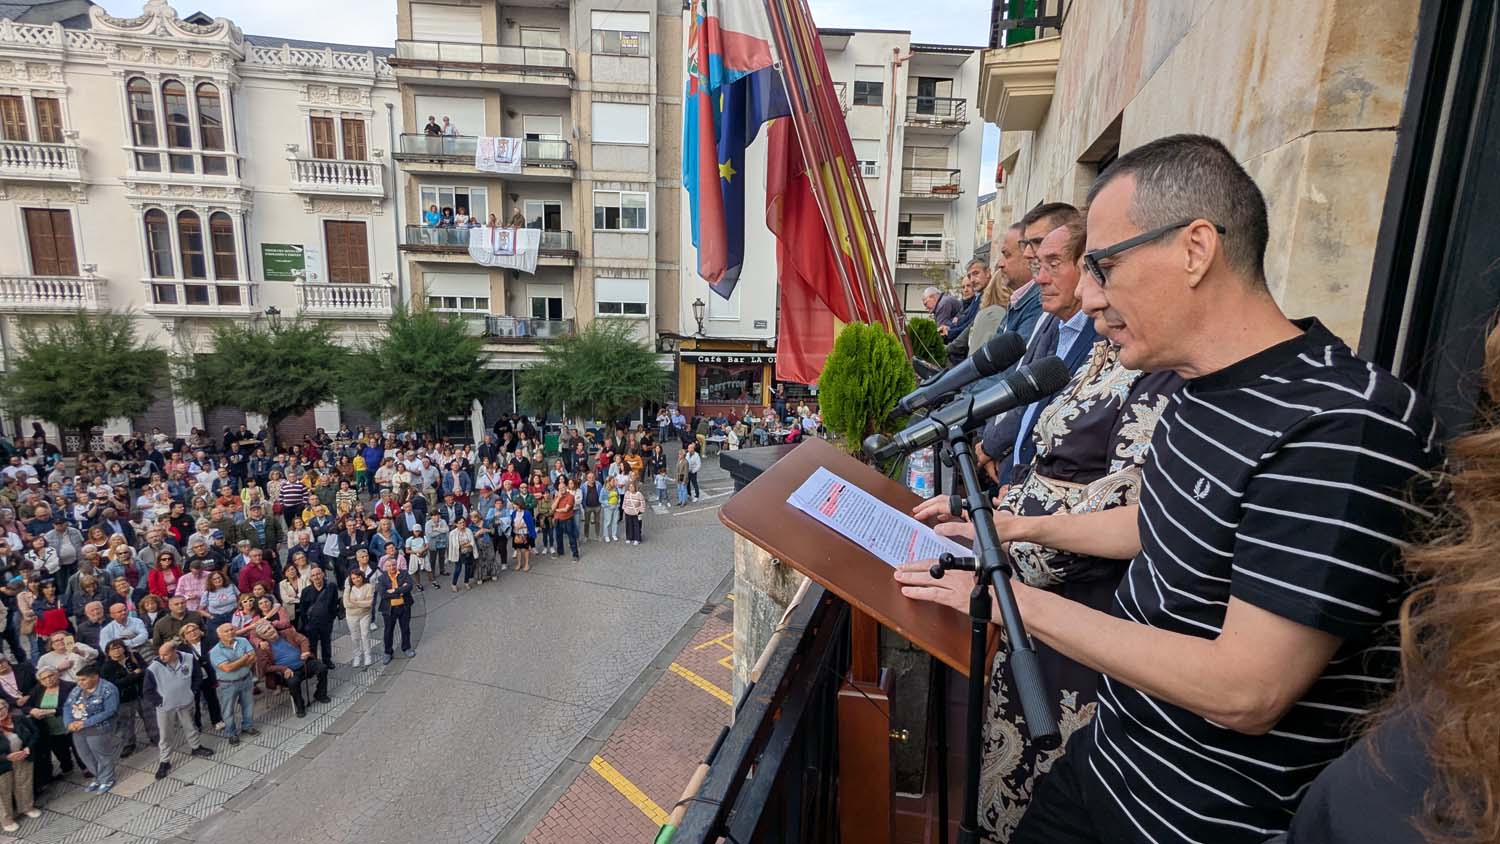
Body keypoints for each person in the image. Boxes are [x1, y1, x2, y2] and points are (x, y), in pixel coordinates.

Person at [896, 134, 1442, 844]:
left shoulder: (1344, 424)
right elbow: (1159, 521)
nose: (1089, 296)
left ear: (1195, 249)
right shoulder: (1200, 388)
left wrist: (1007, 597)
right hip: (1110, 758)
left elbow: (1245, 689)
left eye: (1105, 266)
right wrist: (1013, 530)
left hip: (1193, 818)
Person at [142, 640, 213, 778]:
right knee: (165, 734)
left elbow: (197, 676)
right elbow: (147, 691)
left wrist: (192, 692)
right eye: (160, 655)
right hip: (166, 708)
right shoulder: (153, 668)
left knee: (190, 726)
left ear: (175, 652)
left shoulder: (189, 658)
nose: (162, 658)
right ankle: (165, 761)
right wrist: (160, 702)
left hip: (185, 701)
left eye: (165, 655)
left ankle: (196, 747)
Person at [63, 664, 120, 793]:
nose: (80, 683)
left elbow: (110, 711)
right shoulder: (78, 689)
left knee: (101, 754)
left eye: (83, 679)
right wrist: (68, 723)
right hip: (78, 729)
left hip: (98, 729)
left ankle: (107, 779)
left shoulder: (108, 689)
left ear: (95, 677)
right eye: (78, 680)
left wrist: (85, 723)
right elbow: (67, 705)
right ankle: (98, 777)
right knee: (85, 755)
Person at [251, 623, 326, 719]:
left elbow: (303, 640)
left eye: (269, 628)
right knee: (293, 682)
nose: (270, 631)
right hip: (287, 671)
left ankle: (320, 694)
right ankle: (300, 706)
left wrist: (305, 651)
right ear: (262, 637)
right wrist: (282, 669)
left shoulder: (288, 633)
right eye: (265, 632)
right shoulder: (263, 648)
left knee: (322, 668)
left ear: (273, 627)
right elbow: (265, 667)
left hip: (304, 663)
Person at [99, 638, 156, 758]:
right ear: (108, 652)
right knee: (126, 723)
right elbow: (115, 684)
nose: (117, 651)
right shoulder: (107, 667)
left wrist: (137, 674)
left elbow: (145, 669)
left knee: (149, 717)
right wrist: (134, 674)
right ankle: (129, 744)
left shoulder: (134, 656)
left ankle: (155, 737)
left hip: (141, 693)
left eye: (119, 647)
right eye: (113, 649)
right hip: (124, 698)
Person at [208, 623, 257, 745]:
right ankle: (231, 733)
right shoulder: (215, 651)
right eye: (226, 631)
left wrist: (237, 663)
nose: (230, 632)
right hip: (228, 684)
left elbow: (253, 657)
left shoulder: (243, 640)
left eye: (231, 629)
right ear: (219, 635)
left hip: (246, 679)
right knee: (228, 710)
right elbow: (227, 668)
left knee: (248, 705)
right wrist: (244, 658)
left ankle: (247, 726)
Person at [0, 699, 40, 831]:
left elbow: (35, 733)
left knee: (24, 783)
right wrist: (6, 757)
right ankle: (6, 819)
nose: (0, 712)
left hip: (23, 756)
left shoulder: (19, 718)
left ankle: (27, 807)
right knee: (3, 791)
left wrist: (28, 747)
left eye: (1, 708)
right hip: (2, 764)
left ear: (6, 707)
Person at [28, 667, 73, 786]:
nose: (48, 680)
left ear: (57, 674)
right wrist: (33, 710)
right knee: (60, 750)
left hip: (69, 724)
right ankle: (67, 767)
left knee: (78, 748)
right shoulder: (38, 690)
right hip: (49, 728)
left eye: (50, 676)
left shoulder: (69, 687)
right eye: (44, 678)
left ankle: (86, 767)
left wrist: (53, 711)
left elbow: (73, 706)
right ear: (40, 681)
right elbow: (26, 706)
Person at [176, 623, 223, 734]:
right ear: (184, 636)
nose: (193, 633)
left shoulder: (209, 640)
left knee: (212, 699)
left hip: (208, 675)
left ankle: (217, 720)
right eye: (188, 632)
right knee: (195, 703)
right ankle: (197, 724)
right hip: (193, 679)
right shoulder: (181, 649)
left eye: (195, 629)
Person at [374, 559, 415, 665]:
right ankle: (388, 652)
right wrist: (401, 591)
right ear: (385, 567)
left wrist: (394, 590)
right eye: (389, 566)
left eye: (393, 565)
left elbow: (409, 587)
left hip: (404, 607)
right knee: (388, 631)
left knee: (405, 629)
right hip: (389, 609)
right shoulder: (381, 578)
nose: (392, 567)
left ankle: (406, 648)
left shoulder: (404, 574)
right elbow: (383, 594)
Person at [297, 567, 339, 665]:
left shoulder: (331, 587)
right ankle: (314, 663)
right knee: (312, 644)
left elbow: (334, 602)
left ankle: (327, 660)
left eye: (318, 574)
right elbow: (303, 608)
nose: (316, 577)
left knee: (326, 642)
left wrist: (331, 618)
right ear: (310, 578)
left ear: (323, 574)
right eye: (313, 575)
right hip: (312, 622)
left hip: (326, 621)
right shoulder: (306, 591)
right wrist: (306, 623)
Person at [342, 571, 375, 669]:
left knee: (365, 634)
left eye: (358, 577)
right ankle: (357, 655)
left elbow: (369, 603)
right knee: (355, 636)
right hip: (351, 616)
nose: (356, 580)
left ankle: (367, 654)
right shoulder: (348, 588)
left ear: (362, 576)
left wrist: (355, 602)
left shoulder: (369, 586)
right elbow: (346, 604)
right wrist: (361, 603)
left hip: (365, 615)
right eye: (353, 578)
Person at [447, 518, 476, 592]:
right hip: (459, 554)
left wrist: (463, 544)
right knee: (458, 569)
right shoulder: (453, 533)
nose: (462, 524)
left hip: (468, 552)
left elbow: (472, 542)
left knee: (468, 568)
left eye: (463, 522)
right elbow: (455, 545)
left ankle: (466, 582)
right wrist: (465, 543)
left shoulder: (468, 530)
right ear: (456, 524)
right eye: (460, 523)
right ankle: (454, 584)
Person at [404, 524, 433, 592]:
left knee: (428, 568)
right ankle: (418, 584)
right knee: (415, 570)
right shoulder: (409, 540)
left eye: (419, 531)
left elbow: (427, 545)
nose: (417, 533)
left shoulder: (424, 537)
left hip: (423, 555)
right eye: (416, 531)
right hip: (414, 556)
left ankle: (432, 581)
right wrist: (416, 552)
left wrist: (423, 550)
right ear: (413, 531)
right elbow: (407, 550)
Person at [621, 481, 645, 546]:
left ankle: (637, 539)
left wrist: (640, 511)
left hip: (636, 513)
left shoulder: (639, 494)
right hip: (628, 512)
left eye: (632, 487)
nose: (631, 488)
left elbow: (642, 503)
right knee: (628, 525)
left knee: (637, 526)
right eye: (630, 487)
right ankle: (629, 537)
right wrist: (624, 509)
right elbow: (624, 502)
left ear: (635, 487)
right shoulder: (627, 493)